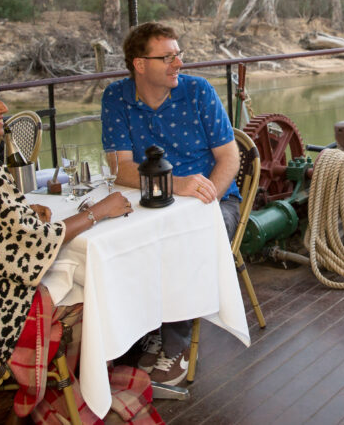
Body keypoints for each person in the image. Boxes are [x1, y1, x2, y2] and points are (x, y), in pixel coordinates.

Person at [0, 63, 160, 425]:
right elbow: (34, 244)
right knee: (93, 294)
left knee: (73, 279)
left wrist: (17, 210)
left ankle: (33, 390)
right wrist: (98, 211)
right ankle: (45, 394)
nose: (3, 107)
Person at [101, 22, 241, 386]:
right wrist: (174, 185)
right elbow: (119, 168)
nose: (178, 62)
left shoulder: (198, 91)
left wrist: (207, 202)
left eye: (179, 54)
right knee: (115, 243)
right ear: (139, 64)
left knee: (183, 243)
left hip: (213, 205)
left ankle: (175, 344)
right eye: (168, 57)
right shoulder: (116, 97)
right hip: (150, 205)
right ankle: (140, 330)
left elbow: (230, 158)